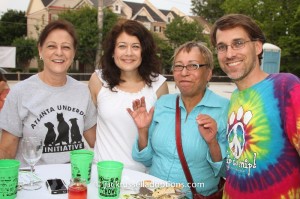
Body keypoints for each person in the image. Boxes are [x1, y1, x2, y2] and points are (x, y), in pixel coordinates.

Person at [210, 14, 300, 199]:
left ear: (258, 47)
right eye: (222, 47)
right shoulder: (235, 96)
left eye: (238, 43)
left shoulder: (285, 87)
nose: (229, 54)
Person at [127, 41, 229, 196]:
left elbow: (227, 172)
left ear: (208, 73)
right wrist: (143, 130)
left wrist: (212, 143)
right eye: (178, 66)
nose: (184, 72)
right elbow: (145, 160)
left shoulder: (225, 109)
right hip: (152, 193)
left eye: (193, 65)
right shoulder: (162, 104)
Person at [0, 19, 97, 167]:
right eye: (51, 46)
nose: (59, 52)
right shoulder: (20, 92)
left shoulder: (82, 91)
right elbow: (7, 152)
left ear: (74, 53)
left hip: (75, 181)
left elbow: (96, 141)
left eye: (66, 47)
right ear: (40, 50)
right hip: (34, 182)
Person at [88, 19, 169, 172]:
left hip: (143, 176)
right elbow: (88, 124)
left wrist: (143, 131)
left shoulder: (159, 85)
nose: (128, 53)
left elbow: (160, 138)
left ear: (144, 52)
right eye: (122, 46)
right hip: (104, 172)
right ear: (113, 52)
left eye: (135, 47)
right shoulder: (98, 80)